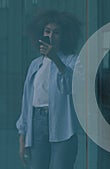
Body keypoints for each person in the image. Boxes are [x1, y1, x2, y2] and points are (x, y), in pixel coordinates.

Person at [16, 10, 82, 169]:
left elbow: (70, 87)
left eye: (56, 32)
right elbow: (27, 101)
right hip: (36, 122)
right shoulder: (35, 64)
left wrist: (55, 59)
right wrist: (22, 135)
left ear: (65, 36)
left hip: (63, 124)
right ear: (41, 34)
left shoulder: (73, 61)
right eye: (47, 31)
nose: (51, 36)